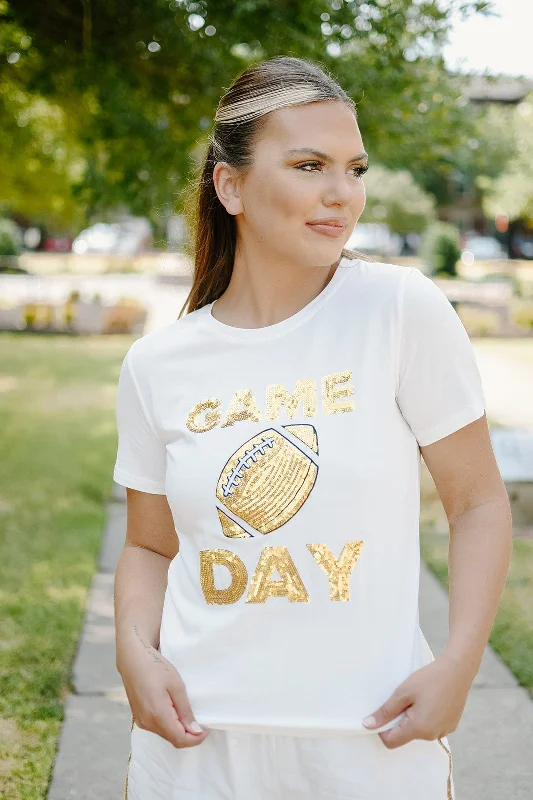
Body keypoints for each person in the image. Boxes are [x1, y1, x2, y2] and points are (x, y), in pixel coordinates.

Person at [113, 56, 512, 800]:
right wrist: (134, 653)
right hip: (197, 746)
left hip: (370, 743)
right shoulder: (157, 363)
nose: (341, 194)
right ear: (229, 185)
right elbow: (146, 543)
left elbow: (477, 503)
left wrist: (458, 664)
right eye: (308, 165)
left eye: (353, 169)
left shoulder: (397, 311)